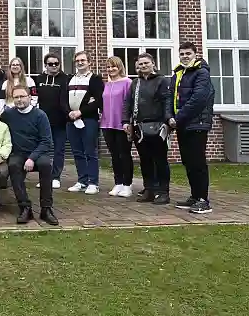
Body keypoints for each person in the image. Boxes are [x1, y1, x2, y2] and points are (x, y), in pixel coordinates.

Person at [168, 41, 215, 214]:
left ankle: (203, 199)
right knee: (188, 162)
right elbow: (170, 96)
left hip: (197, 123)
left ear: (195, 54)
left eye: (188, 53)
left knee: (198, 162)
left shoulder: (201, 73)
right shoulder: (178, 73)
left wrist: (177, 118)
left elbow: (198, 99)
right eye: (182, 54)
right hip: (182, 124)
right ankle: (195, 196)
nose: (185, 56)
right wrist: (169, 117)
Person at [2, 85, 59, 225]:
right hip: (18, 153)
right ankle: (25, 208)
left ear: (30, 97)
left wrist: (32, 158)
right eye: (16, 97)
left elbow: (47, 141)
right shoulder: (8, 115)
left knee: (46, 165)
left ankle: (46, 209)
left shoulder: (40, 115)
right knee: (14, 165)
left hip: (38, 152)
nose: (19, 99)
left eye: (22, 96)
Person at [123, 53, 172, 205]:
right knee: (145, 160)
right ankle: (149, 189)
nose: (143, 66)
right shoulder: (135, 83)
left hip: (157, 126)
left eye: (146, 63)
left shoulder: (162, 81)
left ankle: (163, 192)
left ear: (153, 64)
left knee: (160, 160)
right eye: (140, 64)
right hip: (139, 127)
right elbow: (128, 103)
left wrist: (168, 120)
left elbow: (167, 101)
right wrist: (126, 121)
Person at [65, 50, 105, 195]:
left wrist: (81, 111)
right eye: (77, 61)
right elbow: (63, 98)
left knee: (90, 152)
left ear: (89, 62)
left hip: (88, 120)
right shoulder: (70, 79)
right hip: (71, 120)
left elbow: (98, 101)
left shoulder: (95, 79)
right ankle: (82, 181)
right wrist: (69, 113)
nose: (80, 63)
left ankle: (93, 182)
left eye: (83, 60)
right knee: (77, 152)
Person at [34, 53, 69, 189]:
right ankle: (44, 177)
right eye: (50, 64)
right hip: (42, 121)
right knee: (43, 150)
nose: (54, 66)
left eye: (56, 63)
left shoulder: (66, 79)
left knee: (59, 150)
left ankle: (55, 177)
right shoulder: (39, 79)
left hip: (60, 121)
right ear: (45, 65)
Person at [101, 56, 134, 198]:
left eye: (113, 66)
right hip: (107, 124)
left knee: (124, 154)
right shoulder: (106, 85)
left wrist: (129, 122)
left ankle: (127, 184)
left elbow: (131, 104)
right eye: (108, 67)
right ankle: (118, 182)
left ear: (119, 67)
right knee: (114, 155)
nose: (110, 69)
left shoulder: (128, 83)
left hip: (122, 124)